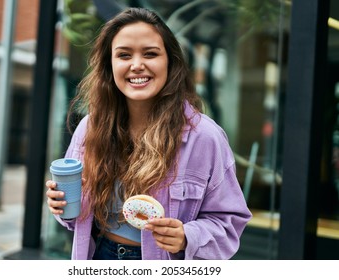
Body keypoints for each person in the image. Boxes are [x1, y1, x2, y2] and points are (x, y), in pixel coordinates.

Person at [45, 7, 252, 260]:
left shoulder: (204, 137)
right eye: (123, 55)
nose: (137, 65)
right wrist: (61, 205)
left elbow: (230, 223)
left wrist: (187, 237)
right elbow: (74, 218)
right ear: (110, 65)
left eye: (151, 54)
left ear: (170, 62)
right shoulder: (90, 128)